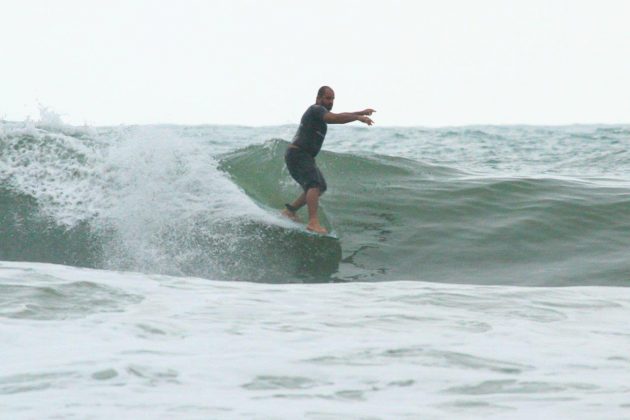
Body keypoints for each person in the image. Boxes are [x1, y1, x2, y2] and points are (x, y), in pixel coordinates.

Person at [282, 86, 375, 234]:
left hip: (304, 156)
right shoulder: (315, 109)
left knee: (320, 187)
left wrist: (360, 113)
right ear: (318, 98)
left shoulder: (321, 113)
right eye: (328, 98)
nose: (331, 102)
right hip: (298, 154)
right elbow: (336, 118)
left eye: (332, 99)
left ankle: (290, 211)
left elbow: (338, 115)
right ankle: (313, 222)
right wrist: (358, 118)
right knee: (313, 184)